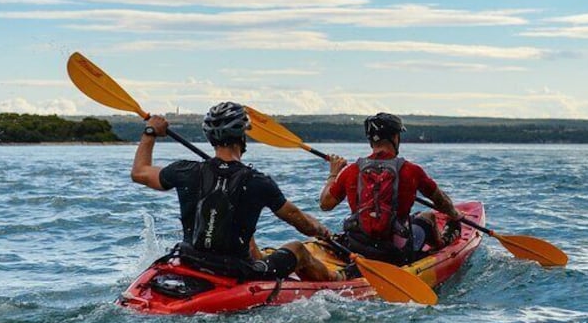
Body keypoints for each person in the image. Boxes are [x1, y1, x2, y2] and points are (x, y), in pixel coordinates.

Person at [130, 101, 343, 282]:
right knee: (298, 249)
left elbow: (139, 173)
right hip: (235, 271)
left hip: (189, 260)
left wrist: (150, 132)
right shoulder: (258, 181)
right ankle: (339, 281)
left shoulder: (185, 171)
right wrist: (320, 230)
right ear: (242, 137)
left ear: (210, 138)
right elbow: (300, 222)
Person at [319, 112, 463, 266]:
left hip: (357, 246)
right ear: (395, 137)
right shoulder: (412, 171)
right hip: (395, 253)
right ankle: (439, 247)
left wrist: (334, 173)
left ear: (370, 140)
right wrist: (455, 215)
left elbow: (325, 204)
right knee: (428, 217)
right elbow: (441, 202)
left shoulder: (351, 171)